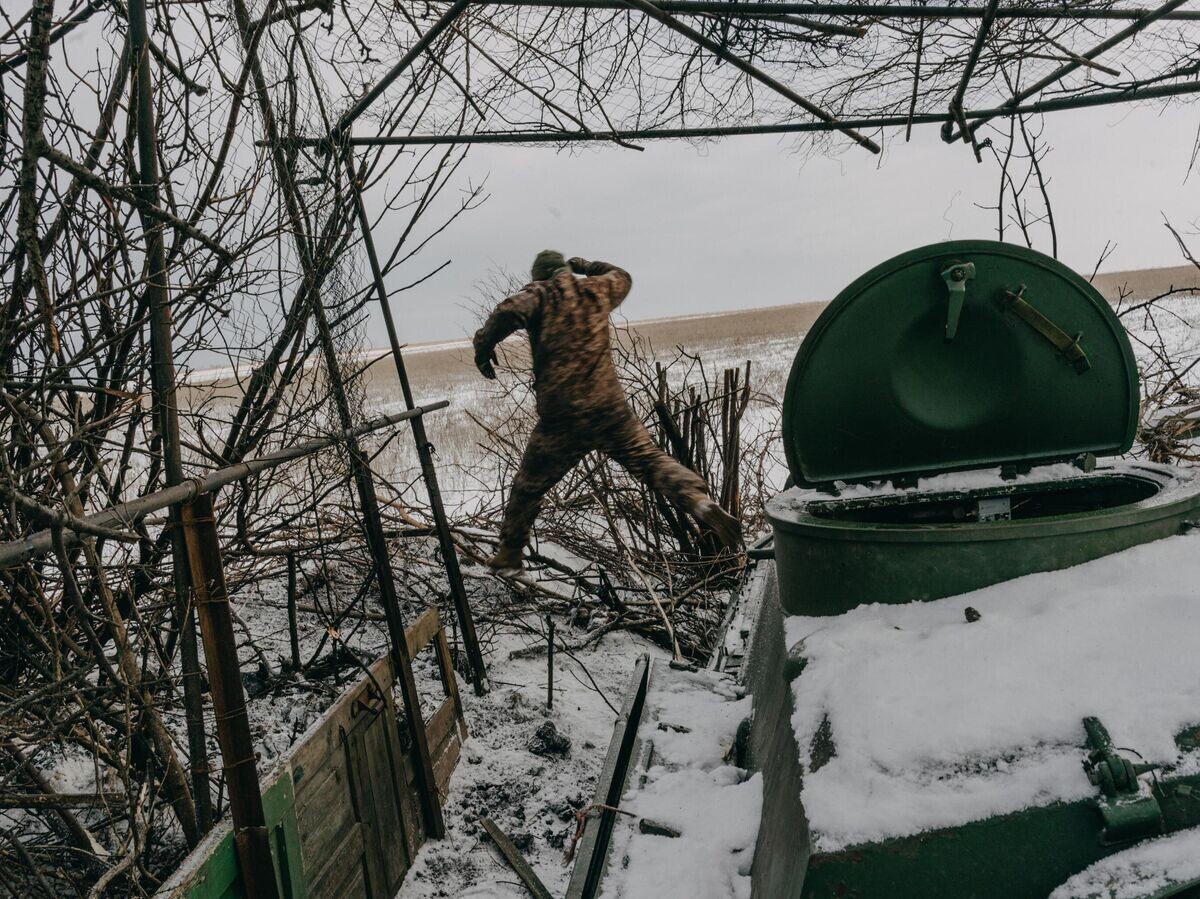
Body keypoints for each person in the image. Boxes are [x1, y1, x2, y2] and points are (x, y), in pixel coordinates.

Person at [473, 249, 742, 571]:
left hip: (562, 419)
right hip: (610, 410)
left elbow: (507, 311)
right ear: (564, 271)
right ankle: (700, 503)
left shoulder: (539, 295)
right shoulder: (595, 290)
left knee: (527, 487)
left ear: (540, 277)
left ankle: (510, 555)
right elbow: (623, 276)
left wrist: (483, 347)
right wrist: (587, 267)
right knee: (652, 462)